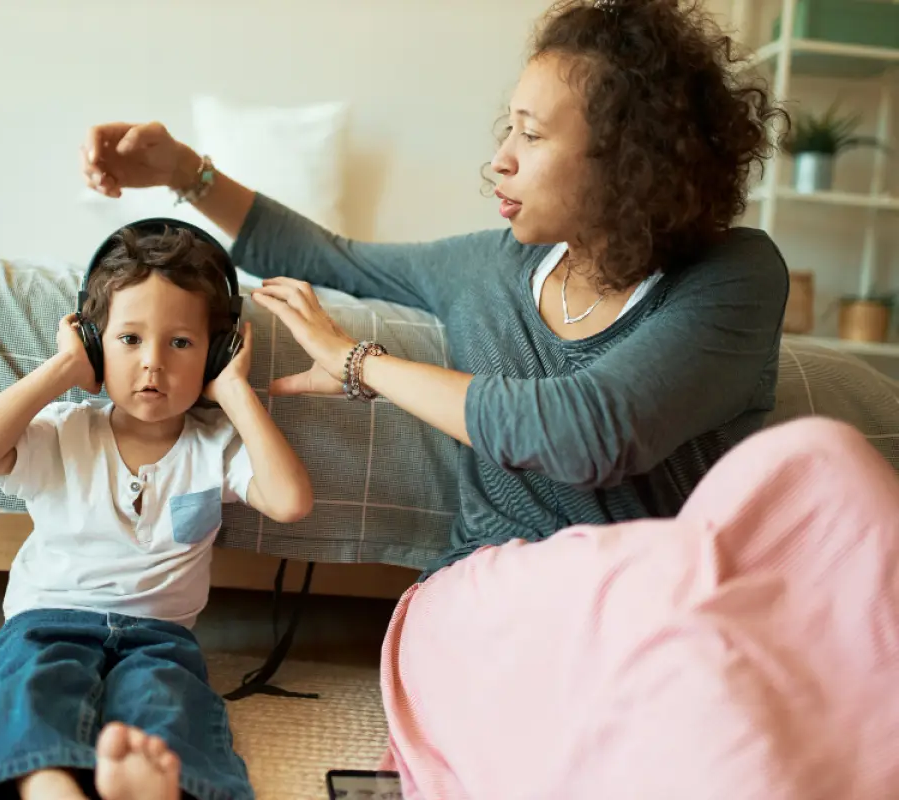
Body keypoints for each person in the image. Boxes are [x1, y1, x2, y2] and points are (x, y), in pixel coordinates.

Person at [73, 0, 852, 794]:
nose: (500, 160)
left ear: (629, 161)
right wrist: (183, 173)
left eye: (532, 134)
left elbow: (590, 432)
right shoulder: (486, 268)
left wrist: (361, 362)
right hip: (493, 591)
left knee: (832, 463)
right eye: (506, 128)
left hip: (661, 598)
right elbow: (329, 255)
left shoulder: (735, 276)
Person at [0, 221, 313, 800]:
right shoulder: (63, 431)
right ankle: (44, 782)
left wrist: (236, 391)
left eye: (182, 343)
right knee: (34, 687)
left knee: (165, 696)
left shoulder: (214, 446)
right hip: (49, 619)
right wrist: (66, 368)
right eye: (129, 339)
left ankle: (152, 787)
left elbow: (291, 501)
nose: (153, 364)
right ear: (96, 342)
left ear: (215, 353)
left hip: (158, 635)